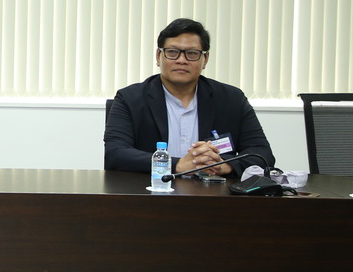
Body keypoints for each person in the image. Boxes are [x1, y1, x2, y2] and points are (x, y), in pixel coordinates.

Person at [104, 18, 274, 176]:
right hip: (151, 192)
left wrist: (223, 165)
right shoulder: (130, 99)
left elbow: (262, 154)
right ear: (158, 56)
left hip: (212, 194)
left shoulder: (231, 100)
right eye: (172, 52)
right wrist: (176, 165)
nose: (181, 60)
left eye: (192, 53)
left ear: (205, 59)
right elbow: (115, 153)